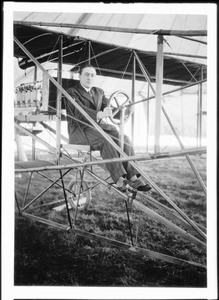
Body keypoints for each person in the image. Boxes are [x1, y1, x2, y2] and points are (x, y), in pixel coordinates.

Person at [64, 64, 151, 192]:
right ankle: (119, 179)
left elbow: (110, 109)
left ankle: (132, 178)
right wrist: (99, 114)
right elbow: (79, 111)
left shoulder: (99, 92)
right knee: (105, 140)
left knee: (124, 138)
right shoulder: (72, 92)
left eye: (92, 75)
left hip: (98, 128)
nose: (89, 78)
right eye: (86, 74)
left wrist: (125, 112)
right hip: (80, 130)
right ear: (80, 76)